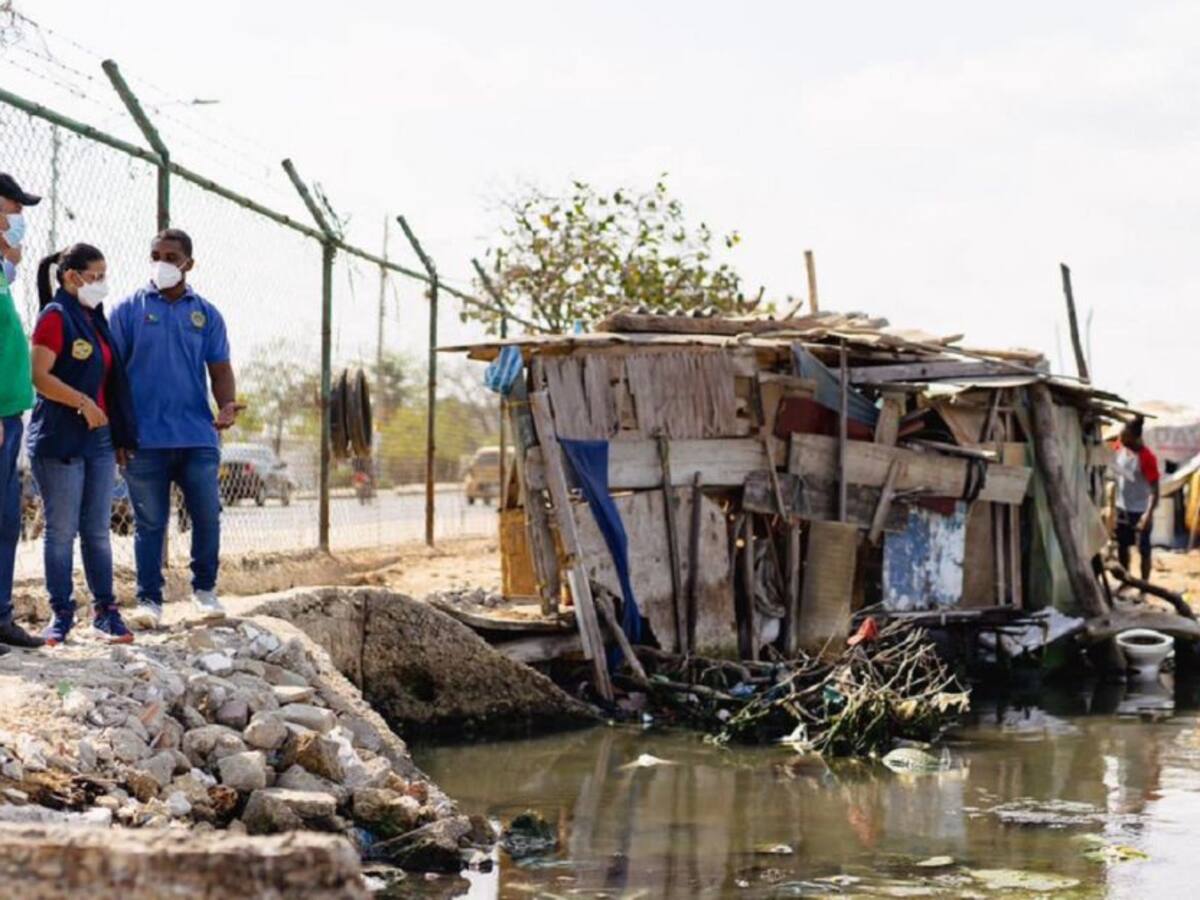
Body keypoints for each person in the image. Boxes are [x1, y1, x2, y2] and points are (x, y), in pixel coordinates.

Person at [109, 229, 242, 628]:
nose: (162, 263)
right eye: (156, 255)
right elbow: (111, 374)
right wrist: (118, 432)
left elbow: (220, 369)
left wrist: (227, 405)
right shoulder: (128, 310)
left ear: (189, 264)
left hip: (197, 436)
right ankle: (149, 600)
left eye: (171, 257)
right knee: (150, 524)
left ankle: (205, 591)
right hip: (143, 439)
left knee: (207, 515)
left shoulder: (206, 314)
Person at [28, 244, 139, 645]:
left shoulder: (94, 318)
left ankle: (105, 612)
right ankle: (61, 613)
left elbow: (111, 380)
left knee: (96, 531)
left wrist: (119, 431)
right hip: (61, 438)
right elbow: (39, 376)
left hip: (99, 439)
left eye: (104, 276)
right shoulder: (55, 317)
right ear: (71, 277)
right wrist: (82, 402)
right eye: (95, 276)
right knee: (61, 531)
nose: (102, 284)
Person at [0, 173, 44, 650]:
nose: (18, 221)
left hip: (9, 416)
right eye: (13, 210)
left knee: (6, 520)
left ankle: (1, 617)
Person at [1113, 415, 1160, 583]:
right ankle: (1125, 582)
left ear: (1135, 437)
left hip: (1140, 510)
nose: (1121, 438)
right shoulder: (1121, 448)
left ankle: (1144, 586)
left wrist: (1148, 514)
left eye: (1125, 435)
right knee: (1122, 546)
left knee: (1143, 550)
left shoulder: (1147, 457)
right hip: (1122, 508)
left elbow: (1155, 490)